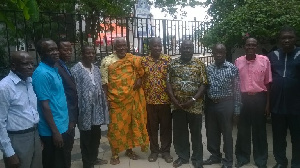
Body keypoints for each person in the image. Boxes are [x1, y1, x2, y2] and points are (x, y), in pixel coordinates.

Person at [100, 37, 149, 165]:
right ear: (114, 48)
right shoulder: (107, 61)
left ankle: (129, 150)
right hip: (115, 99)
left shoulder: (133, 59)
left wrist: (139, 80)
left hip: (132, 97)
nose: (122, 48)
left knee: (131, 125)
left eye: (124, 46)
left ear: (127, 46)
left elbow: (141, 72)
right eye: (119, 46)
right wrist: (107, 99)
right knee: (115, 127)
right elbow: (104, 83)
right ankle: (115, 153)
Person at [166, 40, 207, 168]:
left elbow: (204, 84)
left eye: (189, 48)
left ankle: (197, 158)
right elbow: (167, 82)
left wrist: (193, 100)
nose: (187, 50)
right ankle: (183, 157)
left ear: (193, 49)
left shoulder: (199, 64)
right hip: (178, 106)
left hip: (195, 106)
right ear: (180, 49)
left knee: (196, 133)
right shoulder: (172, 64)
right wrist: (173, 99)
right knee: (180, 133)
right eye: (184, 48)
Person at [0, 51, 42, 168]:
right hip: (17, 139)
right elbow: (0, 122)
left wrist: (37, 138)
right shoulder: (4, 87)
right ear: (13, 66)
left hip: (34, 134)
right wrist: (9, 152)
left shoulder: (29, 81)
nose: (30, 66)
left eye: (32, 63)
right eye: (25, 64)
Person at [234, 38, 272, 168]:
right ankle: (242, 157)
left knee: (260, 130)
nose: (250, 47)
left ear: (257, 47)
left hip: (259, 98)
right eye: (248, 45)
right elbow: (235, 84)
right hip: (243, 99)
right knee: (242, 130)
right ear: (244, 46)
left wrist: (267, 104)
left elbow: (268, 83)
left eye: (253, 45)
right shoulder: (238, 61)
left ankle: (261, 159)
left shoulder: (264, 61)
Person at [32, 38, 69, 168]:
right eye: (50, 50)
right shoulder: (42, 74)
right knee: (54, 163)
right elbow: (45, 106)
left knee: (63, 161)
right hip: (52, 130)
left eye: (55, 49)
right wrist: (55, 132)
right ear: (42, 54)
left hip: (61, 124)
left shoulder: (53, 68)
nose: (55, 52)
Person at [70, 46, 109, 168]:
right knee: (86, 137)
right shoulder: (76, 70)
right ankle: (87, 163)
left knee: (96, 135)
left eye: (93, 53)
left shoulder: (96, 69)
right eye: (88, 53)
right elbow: (73, 91)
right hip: (84, 109)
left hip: (96, 109)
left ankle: (94, 157)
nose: (91, 55)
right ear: (82, 54)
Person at [267, 26, 300, 168]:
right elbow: (266, 79)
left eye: (290, 37)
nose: (286, 40)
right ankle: (281, 162)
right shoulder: (272, 55)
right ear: (279, 40)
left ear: (296, 39)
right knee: (279, 136)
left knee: (297, 137)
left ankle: (297, 162)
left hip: (297, 105)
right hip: (277, 105)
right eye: (283, 38)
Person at [204, 44, 241, 168]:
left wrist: (236, 110)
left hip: (226, 104)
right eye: (216, 52)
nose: (219, 54)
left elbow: (237, 90)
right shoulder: (208, 69)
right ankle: (215, 156)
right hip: (211, 105)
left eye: (221, 52)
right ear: (213, 53)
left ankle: (228, 160)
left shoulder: (232, 68)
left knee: (227, 134)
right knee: (211, 132)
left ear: (225, 53)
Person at [141, 37, 173, 163]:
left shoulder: (168, 60)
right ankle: (154, 151)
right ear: (150, 47)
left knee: (166, 128)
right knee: (152, 128)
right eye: (155, 45)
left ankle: (165, 151)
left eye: (159, 45)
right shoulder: (143, 61)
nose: (157, 48)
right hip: (149, 101)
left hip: (165, 101)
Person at [54, 40, 78, 168]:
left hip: (70, 115)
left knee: (68, 148)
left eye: (70, 50)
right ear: (58, 51)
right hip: (66, 115)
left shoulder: (63, 65)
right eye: (65, 50)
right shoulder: (56, 68)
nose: (68, 52)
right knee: (64, 149)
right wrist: (70, 119)